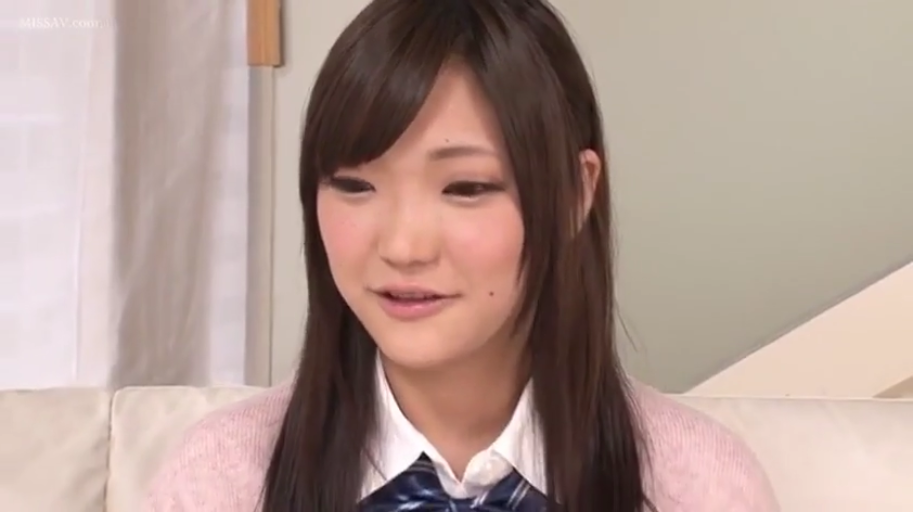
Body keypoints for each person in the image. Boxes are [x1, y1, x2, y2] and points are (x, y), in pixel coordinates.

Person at [143, 0, 779, 510]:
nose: (403, 247)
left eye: (466, 188)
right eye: (355, 185)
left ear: (574, 194)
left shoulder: (694, 485)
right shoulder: (224, 481)